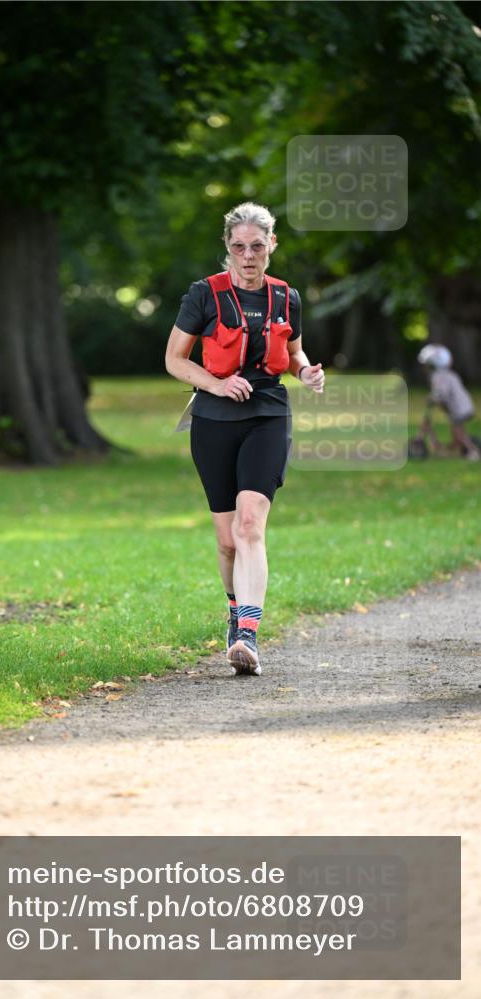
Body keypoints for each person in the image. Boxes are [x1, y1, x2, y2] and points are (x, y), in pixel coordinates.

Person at [165, 202, 325, 676]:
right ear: (227, 247)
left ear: (271, 244)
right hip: (214, 420)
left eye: (257, 246)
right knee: (227, 542)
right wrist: (216, 385)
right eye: (239, 247)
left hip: (268, 415)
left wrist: (306, 371)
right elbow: (175, 360)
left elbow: (293, 353)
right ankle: (235, 613)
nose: (248, 256)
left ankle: (248, 635)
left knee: (250, 524)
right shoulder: (204, 295)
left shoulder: (287, 297)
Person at [415, 344, 479, 460]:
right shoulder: (448, 374)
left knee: (458, 432)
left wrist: (432, 398)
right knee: (457, 430)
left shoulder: (438, 376)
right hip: (463, 406)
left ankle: (473, 451)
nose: (425, 368)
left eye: (427, 365)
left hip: (459, 408)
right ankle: (456, 448)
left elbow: (442, 392)